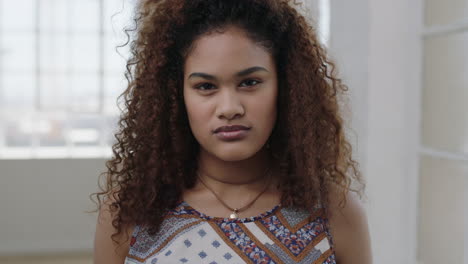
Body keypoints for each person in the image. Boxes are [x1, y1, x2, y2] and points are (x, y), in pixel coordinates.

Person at [92, 0, 372, 263]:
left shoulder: (335, 212)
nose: (229, 108)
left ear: (286, 86)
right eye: (205, 86)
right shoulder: (130, 212)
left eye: (250, 82)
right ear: (176, 96)